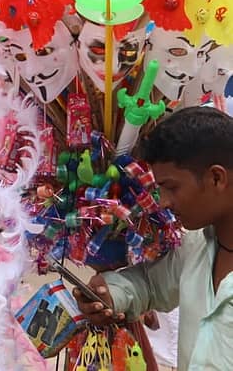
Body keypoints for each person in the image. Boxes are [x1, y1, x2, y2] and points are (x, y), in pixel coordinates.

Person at [72, 107, 233, 370]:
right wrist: (108, 294)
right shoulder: (197, 245)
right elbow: (150, 283)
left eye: (171, 187)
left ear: (216, 178)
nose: (165, 203)